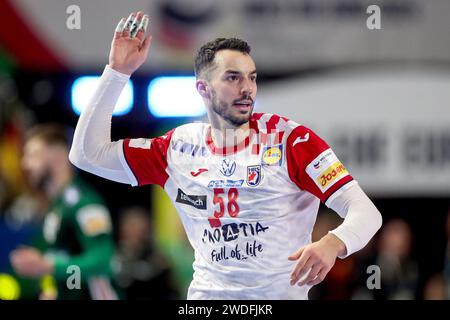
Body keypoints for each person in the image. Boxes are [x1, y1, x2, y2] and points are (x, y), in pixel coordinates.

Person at [69, 11, 383, 299]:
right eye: (233, 77)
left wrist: (334, 242)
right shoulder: (177, 147)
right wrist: (116, 73)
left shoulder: (291, 140)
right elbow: (86, 154)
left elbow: (366, 213)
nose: (247, 88)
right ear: (203, 89)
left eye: (252, 77)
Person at [10, 124, 118, 300]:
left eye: (33, 155)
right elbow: (68, 263)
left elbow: (102, 259)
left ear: (58, 154)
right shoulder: (57, 206)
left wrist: (48, 267)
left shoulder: (84, 203)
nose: (25, 163)